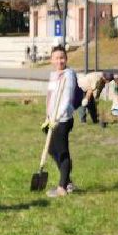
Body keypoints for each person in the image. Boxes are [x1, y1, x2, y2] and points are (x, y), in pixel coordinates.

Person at [43, 45, 78, 197]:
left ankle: (62, 188)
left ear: (66, 59)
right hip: (52, 118)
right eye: (56, 58)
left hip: (63, 119)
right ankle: (67, 181)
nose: (59, 61)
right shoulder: (53, 75)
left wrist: (57, 117)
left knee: (62, 151)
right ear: (51, 60)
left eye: (62, 58)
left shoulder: (68, 75)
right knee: (51, 149)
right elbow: (50, 96)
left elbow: (67, 98)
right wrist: (48, 115)